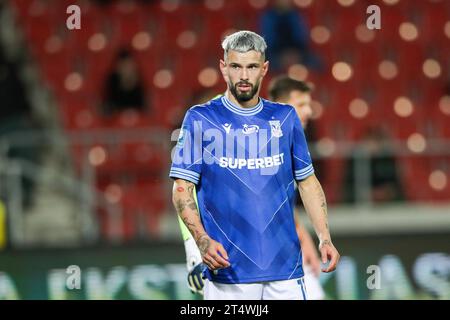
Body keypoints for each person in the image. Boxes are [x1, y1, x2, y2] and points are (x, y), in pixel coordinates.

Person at [170, 30, 339, 300]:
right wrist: (199, 243)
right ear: (224, 68)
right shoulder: (200, 119)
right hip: (228, 271)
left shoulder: (286, 118)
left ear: (264, 69)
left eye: (251, 67)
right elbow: (182, 188)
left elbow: (307, 182)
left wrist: (324, 237)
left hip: (285, 270)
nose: (244, 76)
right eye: (236, 66)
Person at [260, 0, 321, 72]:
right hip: (275, 54)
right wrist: (282, 56)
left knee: (316, 63)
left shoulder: (297, 15)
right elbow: (268, 41)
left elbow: (302, 39)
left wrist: (296, 54)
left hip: (297, 53)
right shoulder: (268, 16)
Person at [102, 48, 148, 116]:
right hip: (116, 121)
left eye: (128, 64)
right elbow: (108, 106)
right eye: (124, 65)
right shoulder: (111, 81)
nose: (127, 68)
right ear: (118, 66)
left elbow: (144, 107)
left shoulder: (139, 80)